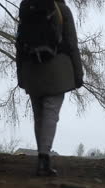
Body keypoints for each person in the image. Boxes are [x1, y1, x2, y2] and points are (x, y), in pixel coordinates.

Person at [16, 0, 84, 177]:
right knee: (51, 113)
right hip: (57, 70)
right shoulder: (62, 10)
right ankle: (44, 158)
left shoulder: (27, 7)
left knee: (38, 116)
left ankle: (41, 159)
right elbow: (71, 44)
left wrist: (20, 75)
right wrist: (78, 73)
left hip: (32, 69)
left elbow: (19, 45)